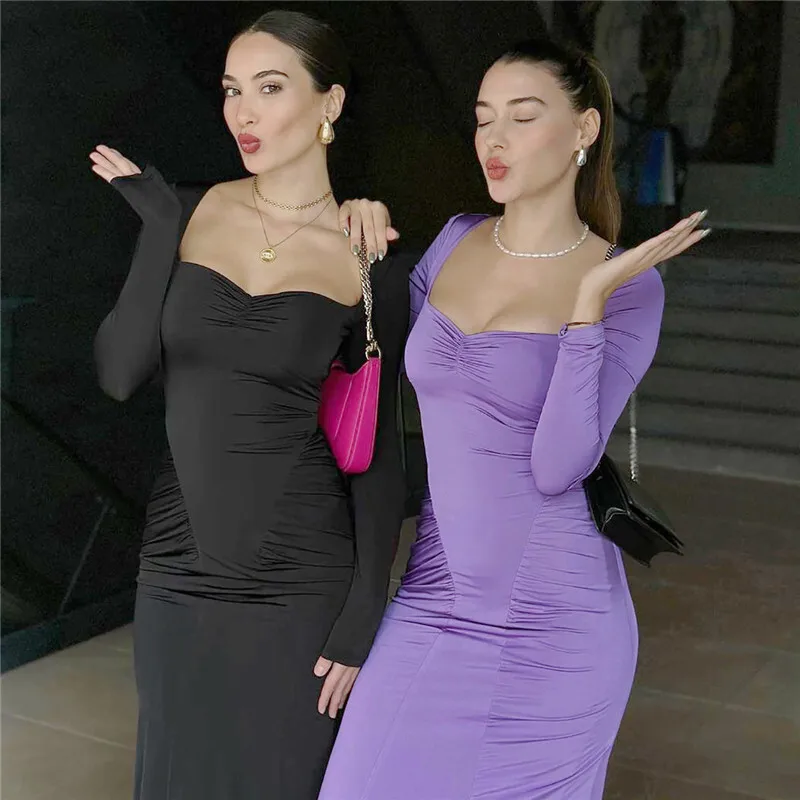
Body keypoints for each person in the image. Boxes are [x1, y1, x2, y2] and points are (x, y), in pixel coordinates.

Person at [321, 39, 707, 799]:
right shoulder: (453, 240)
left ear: (585, 128)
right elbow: (365, 349)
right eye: (483, 118)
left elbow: (559, 466)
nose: (493, 139)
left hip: (555, 629)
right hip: (433, 597)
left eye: (522, 118)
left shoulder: (630, 287)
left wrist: (586, 305)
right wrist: (355, 236)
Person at [89, 10, 409, 800]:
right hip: (177, 564)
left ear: (330, 102)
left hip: (302, 574)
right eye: (233, 90)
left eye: (270, 87)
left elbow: (378, 449)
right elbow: (119, 375)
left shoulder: (368, 255)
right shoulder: (187, 212)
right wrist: (160, 228)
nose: (243, 112)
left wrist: (365, 609)